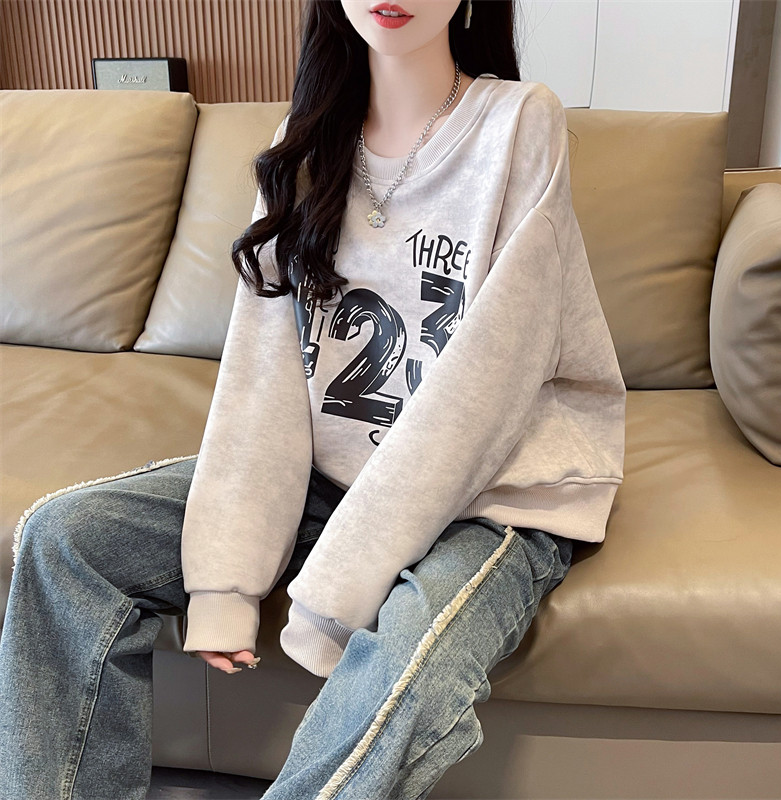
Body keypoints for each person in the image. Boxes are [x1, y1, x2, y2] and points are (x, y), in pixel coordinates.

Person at [0, 1, 627, 798]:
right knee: (64, 538)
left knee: (407, 668)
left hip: (492, 491)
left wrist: (333, 598)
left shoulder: (518, 121)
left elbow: (489, 384)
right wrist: (225, 582)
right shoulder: (304, 143)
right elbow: (263, 374)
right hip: (326, 479)